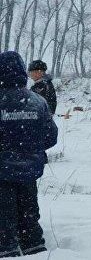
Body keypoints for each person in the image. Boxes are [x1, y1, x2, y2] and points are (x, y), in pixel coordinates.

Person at [0, 52, 58, 257]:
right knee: (29, 209)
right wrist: (30, 149)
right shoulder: (37, 101)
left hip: (3, 170)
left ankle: (7, 247)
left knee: (4, 211)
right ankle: (33, 246)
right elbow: (51, 137)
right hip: (29, 168)